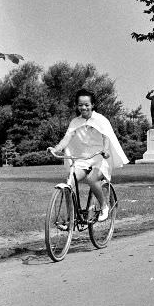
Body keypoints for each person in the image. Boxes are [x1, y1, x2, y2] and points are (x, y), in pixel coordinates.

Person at [50, 89, 129, 221]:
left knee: (92, 179)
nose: (83, 107)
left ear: (93, 105)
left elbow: (106, 138)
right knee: (70, 181)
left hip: (100, 158)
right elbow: (67, 138)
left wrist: (105, 150)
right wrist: (56, 148)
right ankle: (71, 217)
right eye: (80, 105)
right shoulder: (75, 121)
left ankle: (104, 206)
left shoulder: (101, 120)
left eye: (87, 104)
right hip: (83, 159)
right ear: (77, 105)